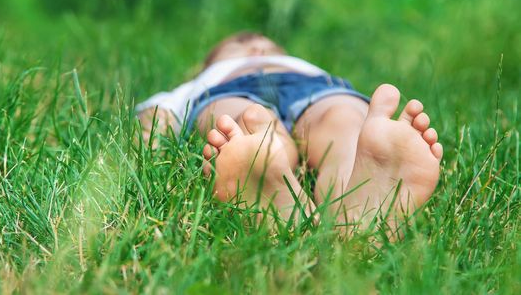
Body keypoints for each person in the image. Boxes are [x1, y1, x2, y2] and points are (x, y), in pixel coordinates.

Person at [136, 32, 442, 236]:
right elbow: (157, 114)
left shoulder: (304, 67)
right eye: (238, 44)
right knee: (243, 119)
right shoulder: (200, 83)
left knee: (344, 120)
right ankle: (264, 167)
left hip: (317, 89)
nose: (256, 46)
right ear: (206, 66)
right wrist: (148, 135)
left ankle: (355, 200)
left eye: (266, 45)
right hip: (230, 89)